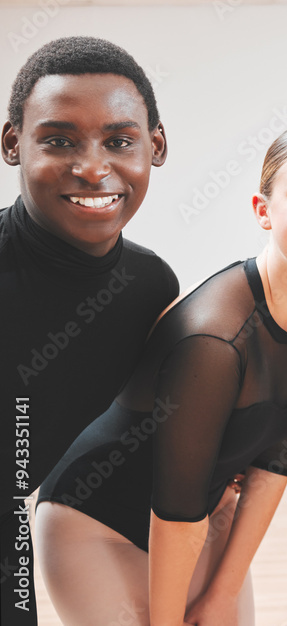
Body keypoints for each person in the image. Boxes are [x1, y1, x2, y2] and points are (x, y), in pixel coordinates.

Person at [34, 119, 287, 625]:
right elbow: (174, 517)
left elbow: (276, 462)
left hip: (203, 512)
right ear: (263, 210)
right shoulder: (214, 343)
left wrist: (220, 594)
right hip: (96, 523)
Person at [0, 36, 176, 625]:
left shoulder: (150, 288)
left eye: (119, 141)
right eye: (58, 140)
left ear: (155, 148)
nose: (94, 167)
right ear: (12, 145)